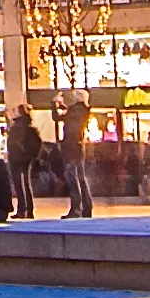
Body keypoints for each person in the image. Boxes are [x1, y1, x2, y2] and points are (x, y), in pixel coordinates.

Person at [56, 91, 94, 219]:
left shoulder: (75, 111)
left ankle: (76, 209)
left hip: (71, 147)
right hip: (78, 147)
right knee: (81, 178)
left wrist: (55, 104)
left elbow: (58, 118)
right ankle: (86, 208)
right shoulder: (83, 110)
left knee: (72, 177)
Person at [5, 109, 43, 220]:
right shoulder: (29, 128)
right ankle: (29, 211)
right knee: (26, 184)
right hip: (27, 159)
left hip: (17, 159)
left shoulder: (17, 128)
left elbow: (13, 144)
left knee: (19, 185)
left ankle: (22, 210)